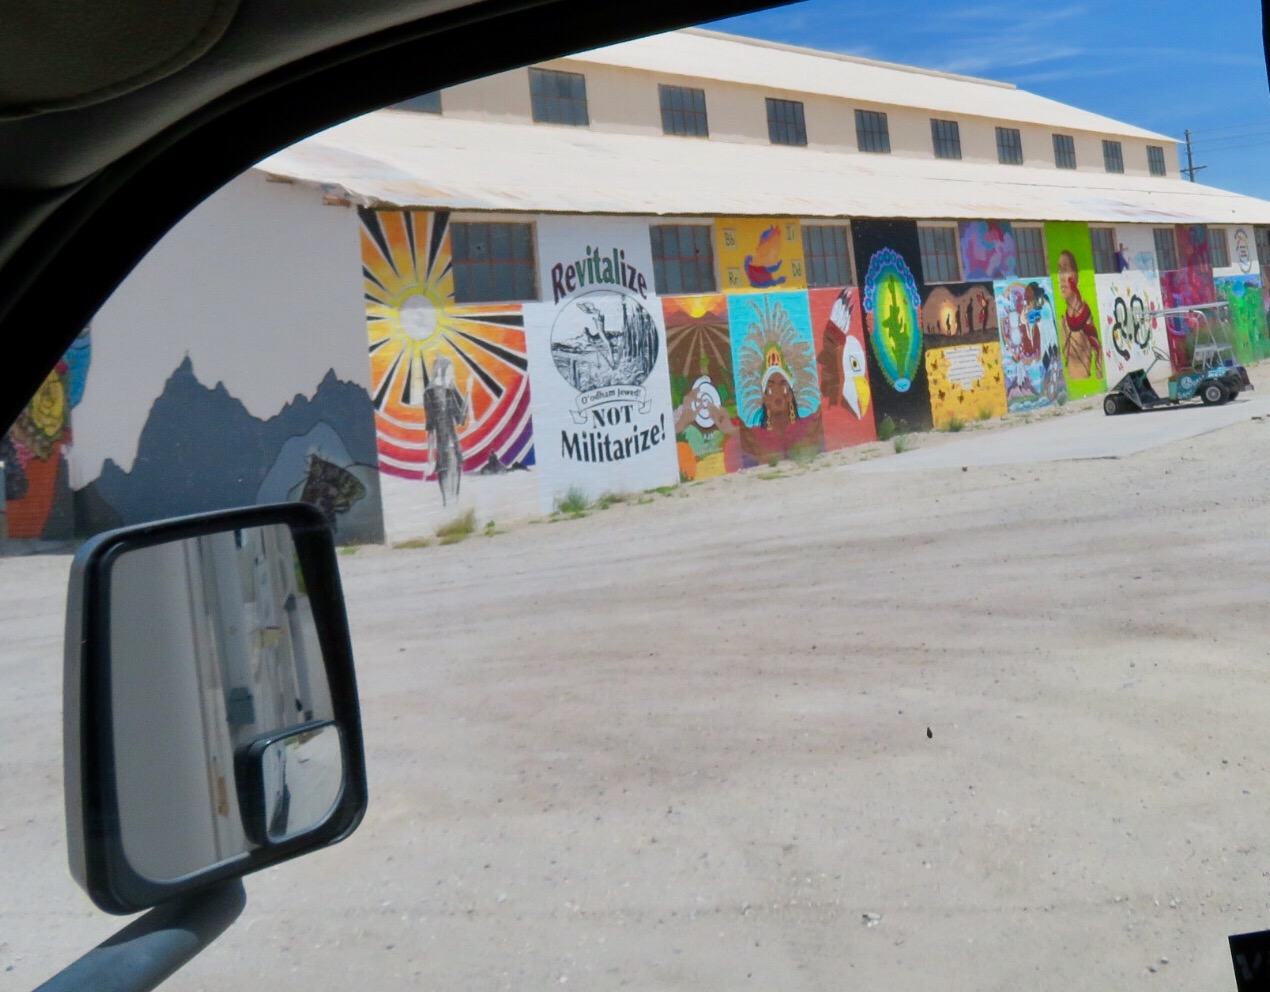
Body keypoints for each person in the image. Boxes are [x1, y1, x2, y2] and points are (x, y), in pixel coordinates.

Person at [421, 355, 469, 506]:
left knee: (455, 497)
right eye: (450, 372)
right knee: (448, 499)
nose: (452, 376)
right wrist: (430, 460)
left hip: (454, 449)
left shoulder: (449, 391)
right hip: (443, 452)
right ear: (441, 371)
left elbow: (460, 419)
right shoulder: (429, 393)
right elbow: (430, 428)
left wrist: (467, 395)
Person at [1057, 249, 1102, 379]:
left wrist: (1099, 375)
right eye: (1059, 270)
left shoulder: (1086, 317)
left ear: (1076, 275)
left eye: (1066, 270)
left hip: (1087, 381)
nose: (1061, 277)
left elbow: (1098, 350)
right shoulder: (1062, 322)